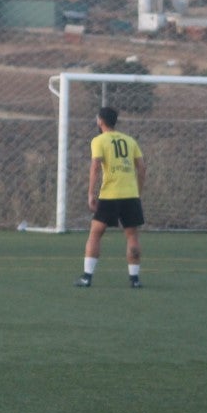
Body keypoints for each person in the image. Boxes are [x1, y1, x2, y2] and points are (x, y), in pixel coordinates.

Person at [75, 106, 147, 288]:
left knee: (95, 233)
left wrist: (91, 193)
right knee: (132, 236)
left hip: (110, 195)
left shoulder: (99, 141)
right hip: (130, 195)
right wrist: (138, 190)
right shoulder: (130, 140)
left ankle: (87, 277)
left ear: (100, 121)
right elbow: (142, 167)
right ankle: (135, 280)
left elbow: (95, 167)